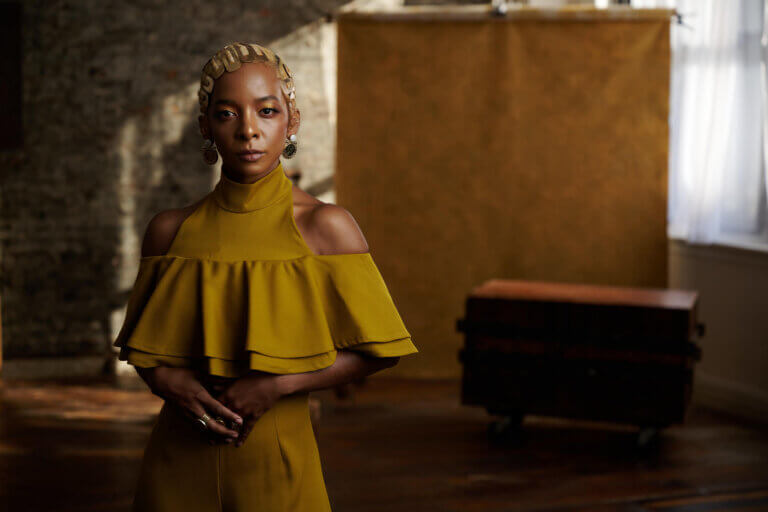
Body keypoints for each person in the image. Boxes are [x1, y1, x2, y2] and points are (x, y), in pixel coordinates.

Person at [113, 41, 419, 511]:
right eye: (228, 114)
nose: (249, 131)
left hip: (277, 464)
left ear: (291, 121)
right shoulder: (168, 232)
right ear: (205, 128)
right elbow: (145, 349)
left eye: (267, 111)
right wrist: (164, 381)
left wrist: (278, 384)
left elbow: (379, 352)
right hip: (175, 463)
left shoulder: (325, 227)